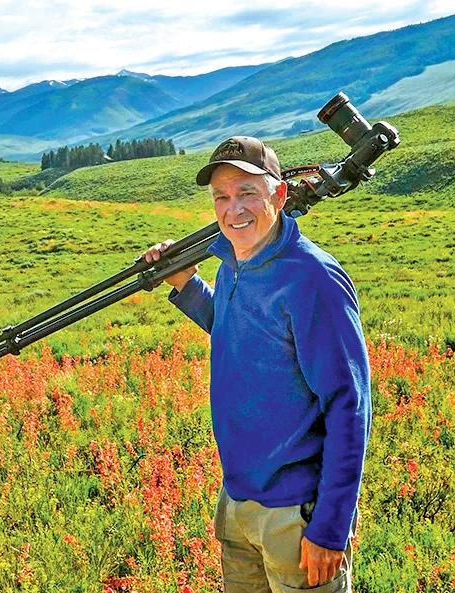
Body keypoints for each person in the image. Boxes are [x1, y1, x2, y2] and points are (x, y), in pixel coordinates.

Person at [142, 136, 371, 592]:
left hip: (295, 513)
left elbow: (350, 407)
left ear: (279, 195)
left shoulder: (312, 278)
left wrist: (330, 527)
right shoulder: (233, 260)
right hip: (239, 499)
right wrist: (185, 283)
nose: (234, 210)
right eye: (221, 197)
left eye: (247, 193)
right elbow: (238, 328)